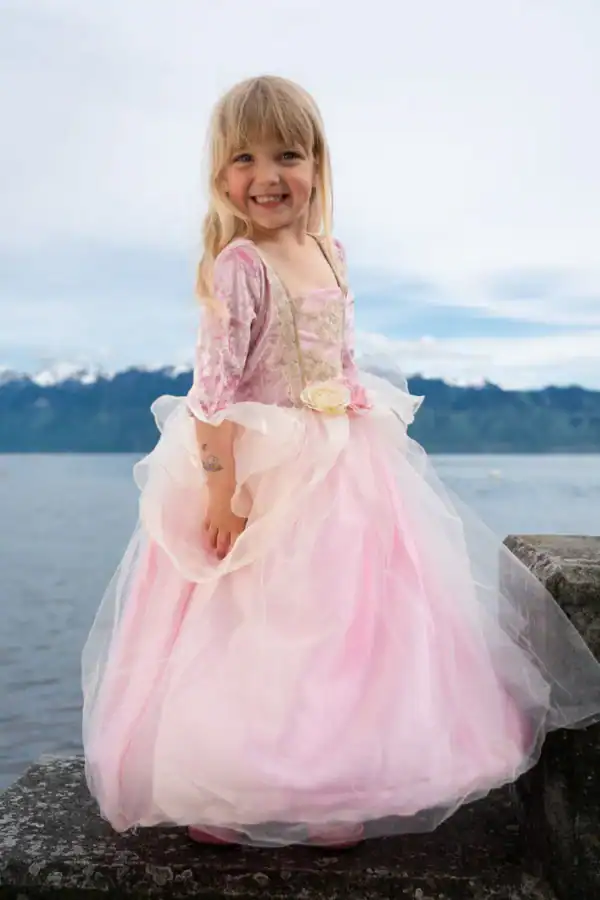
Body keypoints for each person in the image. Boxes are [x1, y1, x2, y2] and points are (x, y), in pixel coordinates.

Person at [81, 75, 600, 849]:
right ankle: (231, 785)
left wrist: (352, 402)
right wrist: (224, 495)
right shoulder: (240, 265)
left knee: (348, 623)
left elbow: (338, 354)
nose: (267, 177)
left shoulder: (329, 249)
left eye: (288, 155)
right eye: (245, 159)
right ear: (221, 174)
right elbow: (214, 394)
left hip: (343, 461)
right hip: (262, 473)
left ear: (318, 164)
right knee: (257, 626)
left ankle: (333, 777)